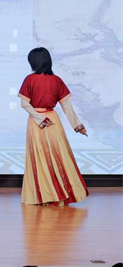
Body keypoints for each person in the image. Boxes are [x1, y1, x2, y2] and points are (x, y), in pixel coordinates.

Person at [19, 47, 88, 206]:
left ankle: (44, 195)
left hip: (37, 121)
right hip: (52, 119)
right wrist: (77, 126)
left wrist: (40, 118)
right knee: (58, 157)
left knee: (40, 158)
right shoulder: (57, 80)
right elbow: (67, 106)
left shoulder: (30, 79)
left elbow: (24, 104)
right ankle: (60, 194)